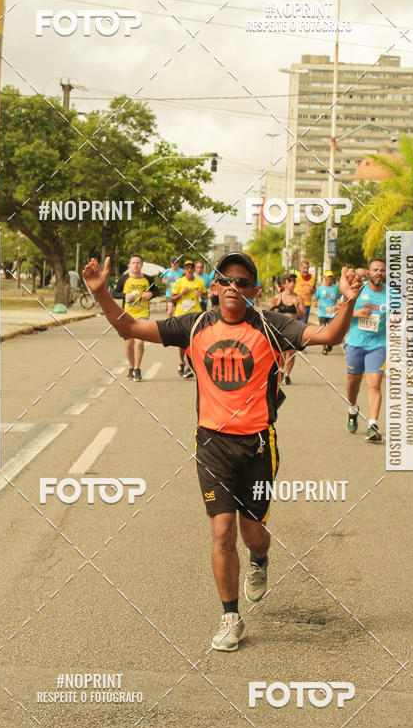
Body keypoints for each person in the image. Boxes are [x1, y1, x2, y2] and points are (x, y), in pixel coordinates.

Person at [82, 251, 363, 652]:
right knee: (222, 530)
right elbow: (128, 325)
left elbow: (329, 337)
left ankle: (260, 558)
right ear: (214, 288)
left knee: (253, 533)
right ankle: (230, 616)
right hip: (212, 445)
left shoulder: (271, 324)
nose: (233, 287)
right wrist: (100, 292)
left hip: (259, 447)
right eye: (226, 280)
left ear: (254, 291)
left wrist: (349, 301)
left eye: (242, 282)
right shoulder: (195, 324)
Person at [344, 258, 387, 443]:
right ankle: (352, 409)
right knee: (354, 382)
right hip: (355, 343)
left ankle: (373, 424)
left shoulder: (392, 294)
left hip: (378, 345)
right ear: (368, 273)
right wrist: (356, 313)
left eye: (383, 270)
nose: (379, 273)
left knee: (375, 382)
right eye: (376, 269)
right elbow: (339, 309)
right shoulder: (357, 290)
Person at [112, 253, 159, 381]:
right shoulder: (123, 279)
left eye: (138, 263)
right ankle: (131, 368)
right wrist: (125, 296)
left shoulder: (148, 279)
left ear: (141, 265)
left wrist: (150, 294)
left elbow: (156, 291)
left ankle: (137, 369)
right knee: (129, 342)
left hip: (143, 314)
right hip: (127, 314)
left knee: (139, 341)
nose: (135, 265)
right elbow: (114, 293)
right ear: (129, 265)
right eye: (133, 263)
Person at [171, 260, 206, 378]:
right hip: (181, 315)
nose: (189, 270)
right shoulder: (179, 282)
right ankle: (182, 362)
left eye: (191, 268)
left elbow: (205, 295)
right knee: (181, 342)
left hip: (195, 314)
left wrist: (201, 294)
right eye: (187, 268)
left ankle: (188, 367)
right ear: (184, 270)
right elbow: (172, 298)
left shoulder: (200, 282)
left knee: (191, 341)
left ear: (194, 270)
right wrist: (182, 293)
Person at [270, 275, 304, 384]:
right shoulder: (277, 297)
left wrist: (298, 306)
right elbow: (271, 313)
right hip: (281, 329)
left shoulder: (298, 298)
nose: (292, 283)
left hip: (293, 328)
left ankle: (287, 376)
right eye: (289, 281)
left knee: (292, 353)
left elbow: (302, 315)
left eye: (294, 281)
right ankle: (280, 371)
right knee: (281, 353)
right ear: (284, 283)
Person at [313, 270, 339, 355]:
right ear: (324, 278)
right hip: (322, 313)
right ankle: (324, 348)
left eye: (331, 276)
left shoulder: (335, 288)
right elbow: (315, 299)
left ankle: (330, 344)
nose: (330, 278)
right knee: (322, 331)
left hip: (332, 313)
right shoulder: (320, 289)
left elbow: (338, 299)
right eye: (328, 276)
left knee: (332, 329)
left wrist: (339, 306)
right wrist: (315, 303)